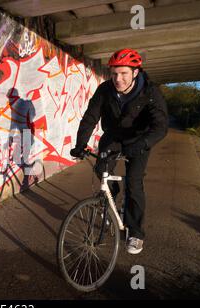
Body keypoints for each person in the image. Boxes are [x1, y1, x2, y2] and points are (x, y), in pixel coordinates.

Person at [70, 48, 168, 254]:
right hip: (113, 137)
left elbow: (160, 127)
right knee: (102, 170)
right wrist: (80, 144)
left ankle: (135, 232)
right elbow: (90, 117)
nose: (118, 78)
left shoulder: (149, 92)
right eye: (114, 73)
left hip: (139, 140)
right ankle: (109, 199)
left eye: (123, 73)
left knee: (133, 183)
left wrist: (140, 144)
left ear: (135, 72)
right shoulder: (105, 90)